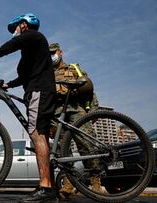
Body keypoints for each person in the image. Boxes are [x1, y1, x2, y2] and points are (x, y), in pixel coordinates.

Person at [0, 13, 57, 203]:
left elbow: (11, 45)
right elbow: (25, 76)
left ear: (24, 25)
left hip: (39, 90)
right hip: (35, 90)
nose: (15, 31)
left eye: (16, 27)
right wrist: (9, 85)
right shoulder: (30, 51)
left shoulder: (34, 36)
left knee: (36, 133)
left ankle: (46, 188)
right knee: (39, 133)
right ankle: (48, 183)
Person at [49, 42, 102, 198]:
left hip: (77, 110)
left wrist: (94, 110)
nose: (52, 56)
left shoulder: (74, 69)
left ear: (60, 52)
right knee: (61, 150)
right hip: (57, 114)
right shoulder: (47, 73)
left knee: (87, 145)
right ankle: (68, 183)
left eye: (54, 52)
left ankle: (95, 182)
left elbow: (89, 88)